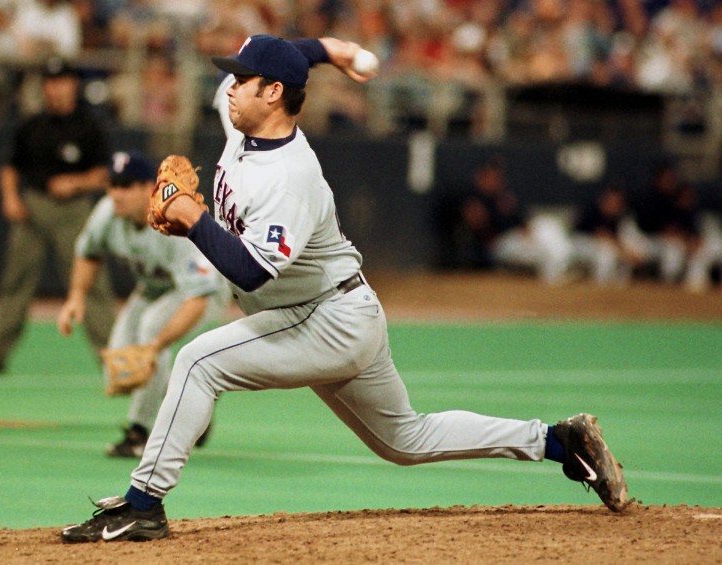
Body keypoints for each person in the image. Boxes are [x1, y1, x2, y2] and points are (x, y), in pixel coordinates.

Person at [60, 34, 630, 544]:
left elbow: (254, 273)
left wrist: (193, 220)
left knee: (197, 362)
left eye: (242, 79)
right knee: (406, 440)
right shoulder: (245, 114)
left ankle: (143, 506)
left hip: (324, 318)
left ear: (274, 93)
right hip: (331, 311)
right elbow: (301, 50)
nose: (229, 87)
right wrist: (342, 53)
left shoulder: (293, 176)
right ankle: (561, 441)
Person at [57, 151, 230, 457]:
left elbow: (197, 299)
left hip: (206, 291)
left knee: (152, 333)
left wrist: (155, 345)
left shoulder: (173, 223)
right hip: (153, 289)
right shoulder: (108, 212)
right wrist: (76, 297)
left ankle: (140, 431)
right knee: (120, 358)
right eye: (113, 185)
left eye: (126, 185)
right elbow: (89, 252)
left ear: (149, 187)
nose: (116, 194)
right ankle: (196, 403)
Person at [0, 57, 115, 374]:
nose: (55, 88)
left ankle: (111, 356)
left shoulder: (89, 125)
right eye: (50, 82)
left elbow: (105, 173)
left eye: (62, 81)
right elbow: (11, 165)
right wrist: (10, 197)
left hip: (74, 211)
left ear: (73, 85)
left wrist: (75, 182)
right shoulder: (32, 124)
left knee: (91, 282)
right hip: (34, 208)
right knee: (16, 282)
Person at [458, 158, 571, 284]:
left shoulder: (504, 197)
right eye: (490, 176)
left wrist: (527, 233)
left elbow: (521, 220)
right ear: (481, 177)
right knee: (541, 249)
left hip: (518, 238)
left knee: (549, 226)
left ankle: (560, 269)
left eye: (497, 176)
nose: (495, 180)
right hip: (499, 243)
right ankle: (554, 274)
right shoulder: (473, 198)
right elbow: (478, 228)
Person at [568, 183, 642, 285]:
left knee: (617, 250)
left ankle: (618, 287)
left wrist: (629, 252)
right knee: (606, 253)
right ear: (604, 199)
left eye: (618, 201)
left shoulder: (621, 216)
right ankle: (600, 286)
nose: (615, 204)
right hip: (580, 244)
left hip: (607, 245)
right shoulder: (592, 211)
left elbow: (624, 238)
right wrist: (624, 252)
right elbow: (601, 236)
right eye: (612, 200)